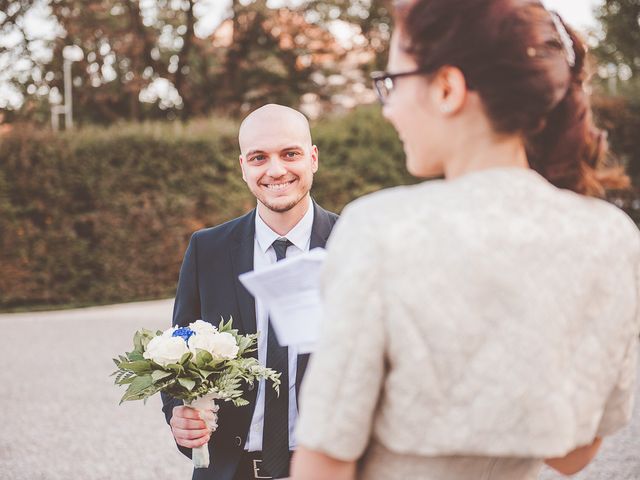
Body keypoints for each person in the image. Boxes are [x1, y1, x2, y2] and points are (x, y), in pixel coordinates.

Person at [291, 1, 640, 479]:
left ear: (447, 88)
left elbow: (326, 457)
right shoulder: (611, 237)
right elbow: (573, 453)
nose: (388, 108)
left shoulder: (381, 228)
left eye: (390, 84)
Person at [161, 104, 339, 480]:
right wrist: (181, 416)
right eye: (259, 157)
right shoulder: (207, 250)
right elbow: (178, 356)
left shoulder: (353, 244)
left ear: (313, 158)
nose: (275, 170)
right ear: (243, 167)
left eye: (289, 154)